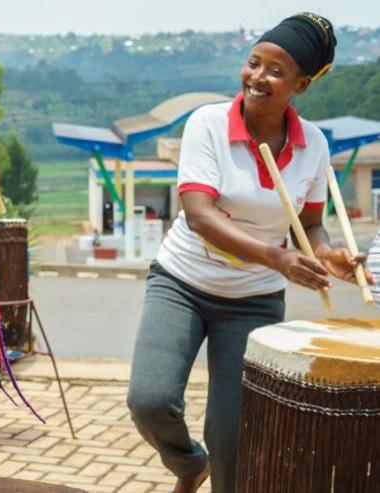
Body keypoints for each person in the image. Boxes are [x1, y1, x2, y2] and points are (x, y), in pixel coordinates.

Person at [126, 13, 372, 493]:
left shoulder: (314, 145)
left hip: (254, 301)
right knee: (150, 401)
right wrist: (277, 258)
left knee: (233, 434)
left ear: (301, 84)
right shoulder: (208, 124)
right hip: (182, 282)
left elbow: (309, 223)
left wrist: (327, 255)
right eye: (254, 62)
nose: (258, 77)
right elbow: (199, 214)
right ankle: (189, 464)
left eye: (276, 71)